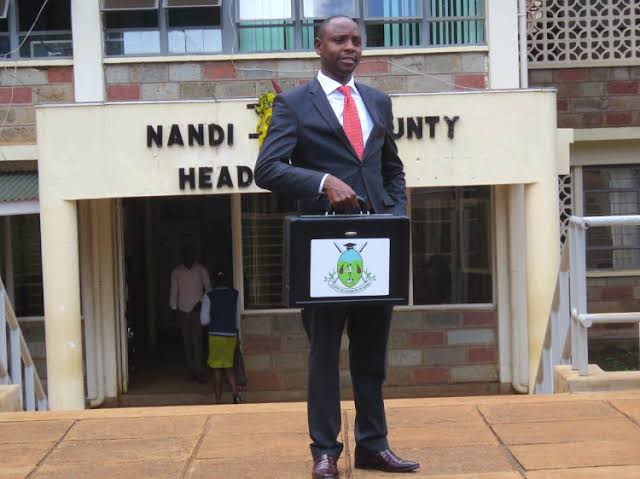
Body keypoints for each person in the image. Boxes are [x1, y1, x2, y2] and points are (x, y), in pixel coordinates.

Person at [255, 15, 419, 479]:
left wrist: (396, 214)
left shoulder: (377, 101)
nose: (350, 47)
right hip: (323, 247)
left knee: (371, 353)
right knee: (324, 354)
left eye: (356, 41)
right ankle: (325, 451)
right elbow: (267, 169)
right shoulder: (293, 105)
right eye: (339, 40)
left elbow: (392, 168)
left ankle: (373, 446)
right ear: (319, 46)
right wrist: (324, 180)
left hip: (377, 244)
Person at [169, 244, 211, 382]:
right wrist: (174, 310)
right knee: (187, 342)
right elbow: (173, 292)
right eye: (185, 252)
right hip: (182, 310)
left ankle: (199, 370)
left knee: (197, 341)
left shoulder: (201, 270)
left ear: (194, 254)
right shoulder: (177, 272)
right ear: (182, 255)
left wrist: (201, 304)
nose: (188, 255)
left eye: (190, 252)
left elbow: (209, 290)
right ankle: (191, 370)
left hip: (197, 311)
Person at [200, 272, 241, 404]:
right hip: (231, 335)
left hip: (215, 335)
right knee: (229, 366)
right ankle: (236, 395)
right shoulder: (235, 294)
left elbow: (204, 320)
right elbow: (237, 319)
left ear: (213, 282)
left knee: (217, 368)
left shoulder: (209, 296)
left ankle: (218, 399)